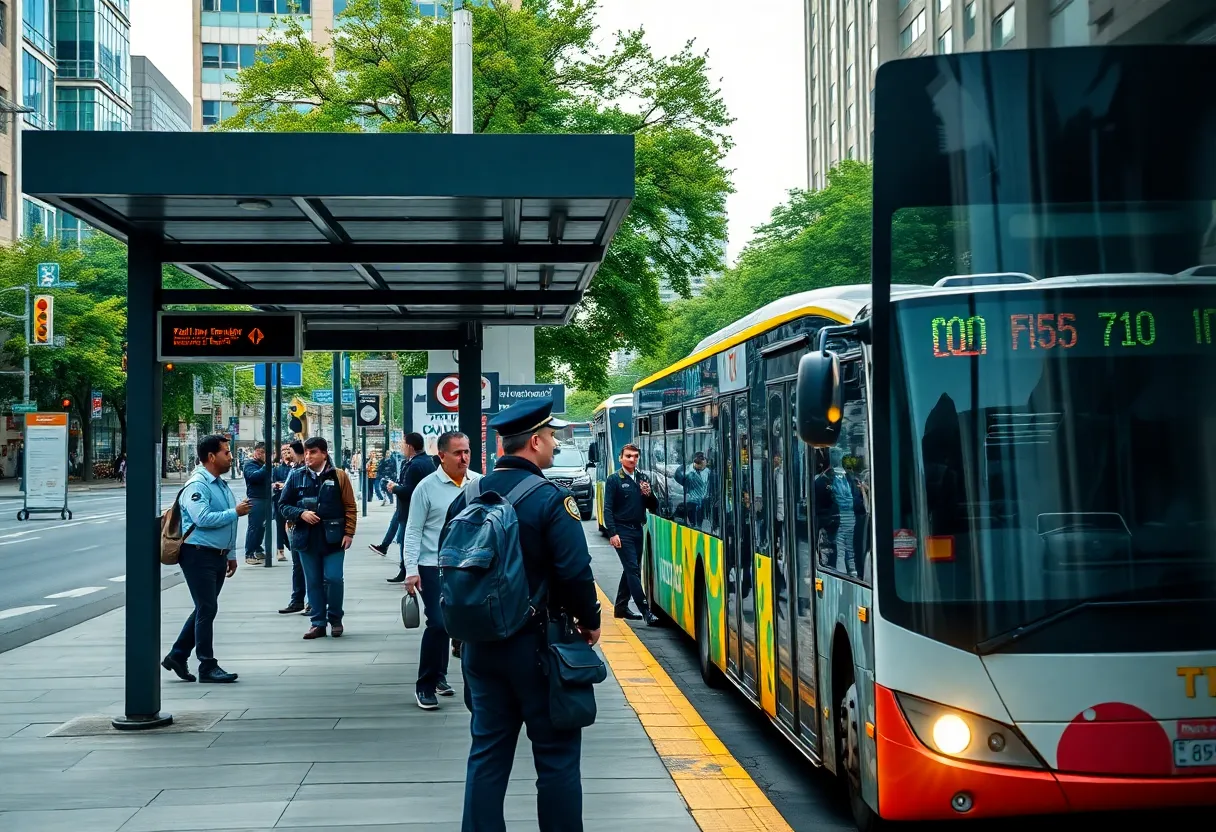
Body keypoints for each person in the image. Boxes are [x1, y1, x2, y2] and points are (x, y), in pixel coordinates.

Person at [444, 398, 601, 831]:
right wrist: (590, 620)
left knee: (487, 755)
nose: (553, 444)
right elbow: (574, 571)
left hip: (480, 648)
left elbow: (451, 565)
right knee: (556, 759)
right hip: (539, 650)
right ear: (534, 442)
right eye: (550, 437)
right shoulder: (551, 499)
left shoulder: (470, 496)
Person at [162, 434, 251, 685]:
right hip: (198, 554)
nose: (231, 456)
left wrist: (231, 554)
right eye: (226, 452)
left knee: (205, 607)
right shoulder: (197, 485)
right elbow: (203, 518)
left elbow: (229, 526)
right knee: (207, 608)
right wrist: (236, 511)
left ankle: (178, 655)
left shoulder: (220, 484)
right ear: (211, 457)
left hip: (217, 555)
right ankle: (207, 665)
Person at [403, 431, 480, 709]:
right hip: (432, 565)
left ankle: (441, 676)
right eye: (458, 453)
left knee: (464, 624)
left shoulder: (478, 484)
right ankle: (425, 685)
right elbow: (412, 530)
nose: (464, 457)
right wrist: (411, 569)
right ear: (442, 456)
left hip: (469, 566)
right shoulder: (426, 487)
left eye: (467, 451)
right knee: (437, 622)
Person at [278, 437, 358, 639]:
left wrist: (349, 532)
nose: (307, 456)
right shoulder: (296, 476)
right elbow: (283, 505)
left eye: (312, 452)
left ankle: (335, 618)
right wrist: (300, 513)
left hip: (333, 537)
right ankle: (318, 622)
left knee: (333, 578)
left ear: (324, 453)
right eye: (305, 452)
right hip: (305, 538)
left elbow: (350, 506)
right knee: (312, 581)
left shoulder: (339, 476)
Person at [602, 443, 660, 625]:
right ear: (621, 458)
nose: (632, 459)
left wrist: (648, 494)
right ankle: (645, 611)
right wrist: (613, 533)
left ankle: (621, 607)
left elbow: (653, 506)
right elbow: (608, 509)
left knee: (631, 568)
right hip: (622, 530)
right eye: (628, 456)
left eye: (635, 456)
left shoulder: (642, 478)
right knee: (633, 570)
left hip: (638, 529)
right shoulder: (614, 480)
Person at [377, 433, 436, 583]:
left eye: (403, 444)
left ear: (410, 446)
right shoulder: (426, 461)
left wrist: (395, 488)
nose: (401, 447)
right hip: (418, 509)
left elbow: (412, 491)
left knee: (405, 541)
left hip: (409, 510)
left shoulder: (415, 465)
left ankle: (406, 570)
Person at [278, 440, 312, 615]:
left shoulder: (307, 471)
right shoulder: (294, 470)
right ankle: (298, 600)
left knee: (308, 565)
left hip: (309, 525)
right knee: (298, 564)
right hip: (296, 523)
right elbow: (284, 501)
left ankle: (311, 601)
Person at [242, 442, 270, 565]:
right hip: (256, 498)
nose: (263, 455)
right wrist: (266, 466)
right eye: (262, 452)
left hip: (265, 498)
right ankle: (249, 553)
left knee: (261, 527)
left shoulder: (262, 464)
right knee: (254, 527)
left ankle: (258, 548)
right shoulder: (250, 464)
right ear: (257, 452)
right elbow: (254, 477)